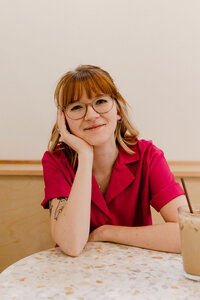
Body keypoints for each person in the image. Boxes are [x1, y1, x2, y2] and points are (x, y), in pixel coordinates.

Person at [41, 64, 187, 257]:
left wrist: (106, 232)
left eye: (100, 102)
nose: (92, 115)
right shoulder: (56, 161)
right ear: (64, 120)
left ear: (117, 110)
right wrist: (85, 156)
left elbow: (188, 235)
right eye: (77, 107)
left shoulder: (147, 156)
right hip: (75, 276)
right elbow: (72, 245)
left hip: (135, 271)